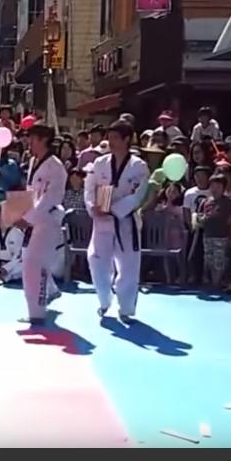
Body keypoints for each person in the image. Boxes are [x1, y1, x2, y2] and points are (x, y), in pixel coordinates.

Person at [85, 121, 150, 323]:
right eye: (109, 137)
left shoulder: (138, 166)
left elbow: (138, 196)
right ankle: (104, 300)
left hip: (125, 222)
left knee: (128, 267)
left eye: (115, 138)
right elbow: (89, 188)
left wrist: (114, 210)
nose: (110, 142)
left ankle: (126, 308)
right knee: (96, 261)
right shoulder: (100, 163)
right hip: (101, 220)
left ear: (127, 140)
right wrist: (92, 206)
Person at [19, 124, 67, 325]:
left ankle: (37, 313)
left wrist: (27, 217)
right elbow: (32, 192)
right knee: (31, 263)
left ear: (44, 140)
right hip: (33, 219)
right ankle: (48, 292)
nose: (29, 142)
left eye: (32, 138)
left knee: (34, 265)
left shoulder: (55, 167)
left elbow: (49, 199)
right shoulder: (33, 161)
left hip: (47, 221)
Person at [198, 175, 231, 289]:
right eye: (212, 186)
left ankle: (216, 284)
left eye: (218, 186)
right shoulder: (205, 202)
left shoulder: (229, 203)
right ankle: (211, 282)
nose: (215, 189)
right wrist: (202, 219)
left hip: (222, 236)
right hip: (207, 235)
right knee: (208, 259)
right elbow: (199, 215)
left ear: (224, 188)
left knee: (219, 261)